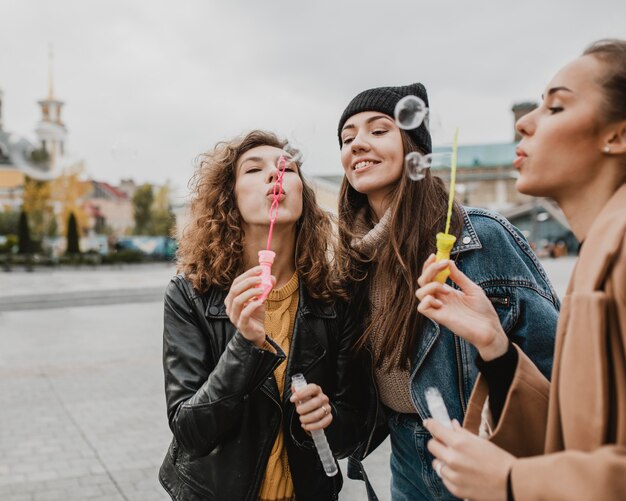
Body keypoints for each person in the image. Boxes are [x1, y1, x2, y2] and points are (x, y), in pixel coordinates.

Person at [418, 39, 626, 500]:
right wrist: (496, 348)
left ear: (617, 135)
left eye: (555, 107)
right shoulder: (601, 249)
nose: (523, 123)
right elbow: (577, 441)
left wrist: (513, 482)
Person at [334, 83, 560, 500]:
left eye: (378, 130)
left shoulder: (480, 236)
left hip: (481, 447)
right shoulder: (352, 256)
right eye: (347, 139)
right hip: (407, 452)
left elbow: (555, 367)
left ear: (414, 147)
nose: (358, 144)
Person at [158, 130, 368, 501]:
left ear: (302, 191)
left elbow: (357, 425)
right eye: (254, 170)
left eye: (286, 168)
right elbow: (190, 432)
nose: (275, 174)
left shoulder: (334, 299)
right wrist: (244, 344)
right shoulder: (190, 295)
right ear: (229, 198)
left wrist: (328, 417)